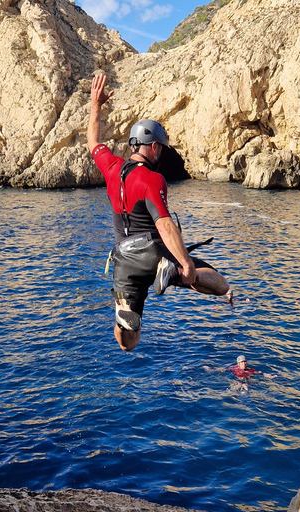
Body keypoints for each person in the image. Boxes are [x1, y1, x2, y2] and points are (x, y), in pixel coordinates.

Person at [87, 73, 229, 351]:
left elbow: (93, 141)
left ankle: (124, 319)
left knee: (129, 343)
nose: (161, 153)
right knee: (220, 285)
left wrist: (95, 105)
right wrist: (186, 265)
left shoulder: (112, 168)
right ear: (153, 147)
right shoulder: (152, 179)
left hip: (123, 261)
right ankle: (171, 272)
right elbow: (164, 224)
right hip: (153, 254)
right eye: (161, 149)